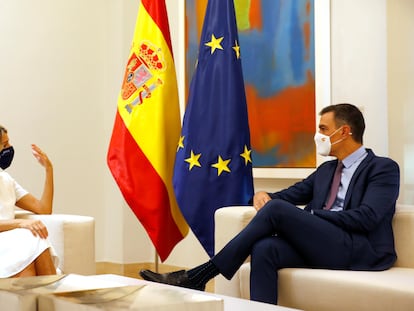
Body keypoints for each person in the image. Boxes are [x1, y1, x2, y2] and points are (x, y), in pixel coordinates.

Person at [139, 103, 400, 304]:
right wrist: (264, 195)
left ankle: (200, 275)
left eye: (323, 129)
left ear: (344, 132)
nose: (317, 135)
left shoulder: (383, 168)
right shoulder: (327, 171)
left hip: (359, 250)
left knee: (276, 213)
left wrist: (312, 216)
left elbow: (367, 217)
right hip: (326, 245)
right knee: (266, 248)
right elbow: (290, 195)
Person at [0, 125, 58, 278]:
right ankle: (56, 295)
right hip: (6, 238)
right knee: (30, 237)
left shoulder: (6, 179)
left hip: (10, 239)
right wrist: (21, 224)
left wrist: (48, 169)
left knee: (31, 240)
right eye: (4, 145)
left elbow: (43, 209)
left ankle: (47, 296)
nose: (10, 148)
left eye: (9, 143)